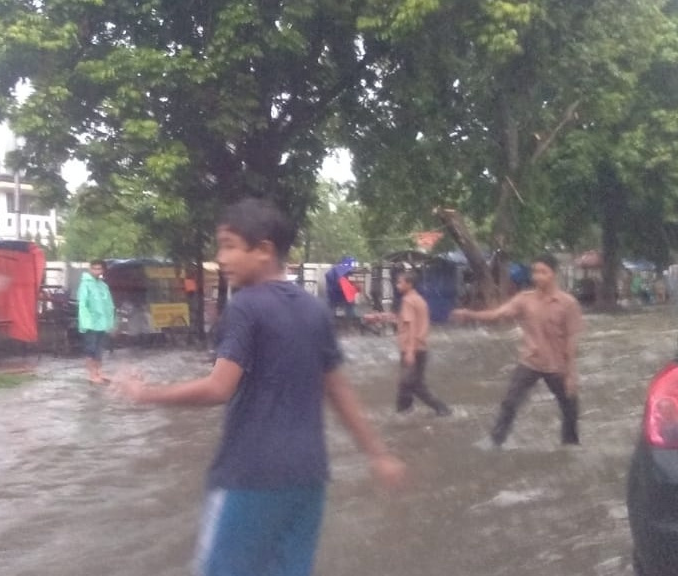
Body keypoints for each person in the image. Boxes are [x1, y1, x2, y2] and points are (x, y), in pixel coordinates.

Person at [113, 198, 405, 576]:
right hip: (308, 480)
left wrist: (145, 394)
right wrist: (378, 454)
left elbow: (219, 388)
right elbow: (339, 390)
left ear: (264, 250)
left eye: (230, 245)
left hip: (250, 477)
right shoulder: (313, 309)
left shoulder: (245, 307)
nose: (221, 257)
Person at [451, 253, 582, 447]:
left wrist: (571, 373)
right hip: (531, 362)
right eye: (535, 272)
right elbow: (497, 314)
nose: (537, 276)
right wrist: (470, 314)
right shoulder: (525, 299)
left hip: (557, 366)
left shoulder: (568, 303)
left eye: (543, 272)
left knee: (570, 407)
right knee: (510, 402)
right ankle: (496, 441)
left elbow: (572, 339)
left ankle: (570, 446)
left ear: (553, 274)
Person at [395, 271, 451, 417]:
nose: (397, 285)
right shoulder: (420, 300)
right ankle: (404, 412)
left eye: (400, 282)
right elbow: (421, 324)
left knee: (411, 383)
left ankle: (441, 408)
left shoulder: (407, 301)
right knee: (407, 383)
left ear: (409, 284)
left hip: (411, 348)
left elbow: (411, 326)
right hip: (421, 347)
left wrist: (409, 351)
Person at [77, 259, 115, 384]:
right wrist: (86, 322)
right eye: (94, 268)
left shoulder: (103, 286)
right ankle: (92, 374)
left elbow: (109, 305)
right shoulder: (85, 284)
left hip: (103, 323)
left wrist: (110, 322)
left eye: (99, 268)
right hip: (91, 323)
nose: (96, 271)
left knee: (100, 349)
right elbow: (83, 304)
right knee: (91, 348)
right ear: (90, 269)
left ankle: (99, 372)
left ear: (103, 270)